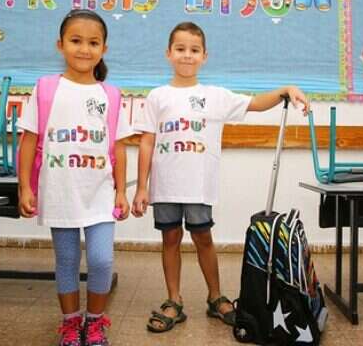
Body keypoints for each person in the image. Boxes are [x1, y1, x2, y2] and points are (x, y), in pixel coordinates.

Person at [132, 22, 309, 333]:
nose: (187, 55)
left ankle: (215, 297)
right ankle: (174, 300)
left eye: (194, 50)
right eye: (180, 49)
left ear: (205, 56)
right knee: (170, 238)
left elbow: (255, 104)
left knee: (203, 238)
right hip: (166, 187)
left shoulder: (214, 96)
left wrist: (286, 89)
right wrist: (141, 188)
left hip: (199, 187)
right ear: (168, 53)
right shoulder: (157, 96)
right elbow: (147, 142)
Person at [17, 9, 133, 346]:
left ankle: (95, 322)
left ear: (104, 49)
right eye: (76, 41)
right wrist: (25, 187)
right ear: (61, 44)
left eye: (93, 43)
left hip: (99, 193)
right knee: (66, 260)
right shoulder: (46, 88)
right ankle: (70, 323)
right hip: (60, 191)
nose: (84, 49)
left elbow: (119, 147)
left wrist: (121, 192)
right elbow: (29, 141)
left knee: (101, 260)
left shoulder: (111, 95)